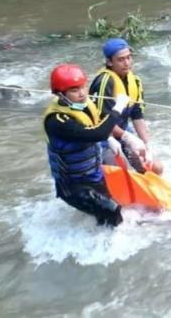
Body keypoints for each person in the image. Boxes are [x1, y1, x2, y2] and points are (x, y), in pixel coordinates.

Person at [43, 64, 144, 226]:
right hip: (73, 185)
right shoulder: (57, 121)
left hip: (93, 175)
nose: (82, 93)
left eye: (83, 87)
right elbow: (96, 133)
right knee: (113, 212)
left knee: (110, 209)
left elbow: (98, 124)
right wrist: (117, 108)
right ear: (61, 94)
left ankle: (98, 232)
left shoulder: (83, 105)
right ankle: (108, 240)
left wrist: (110, 139)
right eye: (74, 90)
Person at [89, 37, 162, 175]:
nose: (127, 63)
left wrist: (147, 144)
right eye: (121, 59)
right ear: (109, 62)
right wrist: (127, 137)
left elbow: (137, 116)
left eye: (129, 57)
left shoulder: (135, 81)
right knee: (122, 172)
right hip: (104, 137)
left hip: (123, 131)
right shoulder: (104, 81)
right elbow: (101, 121)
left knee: (155, 167)